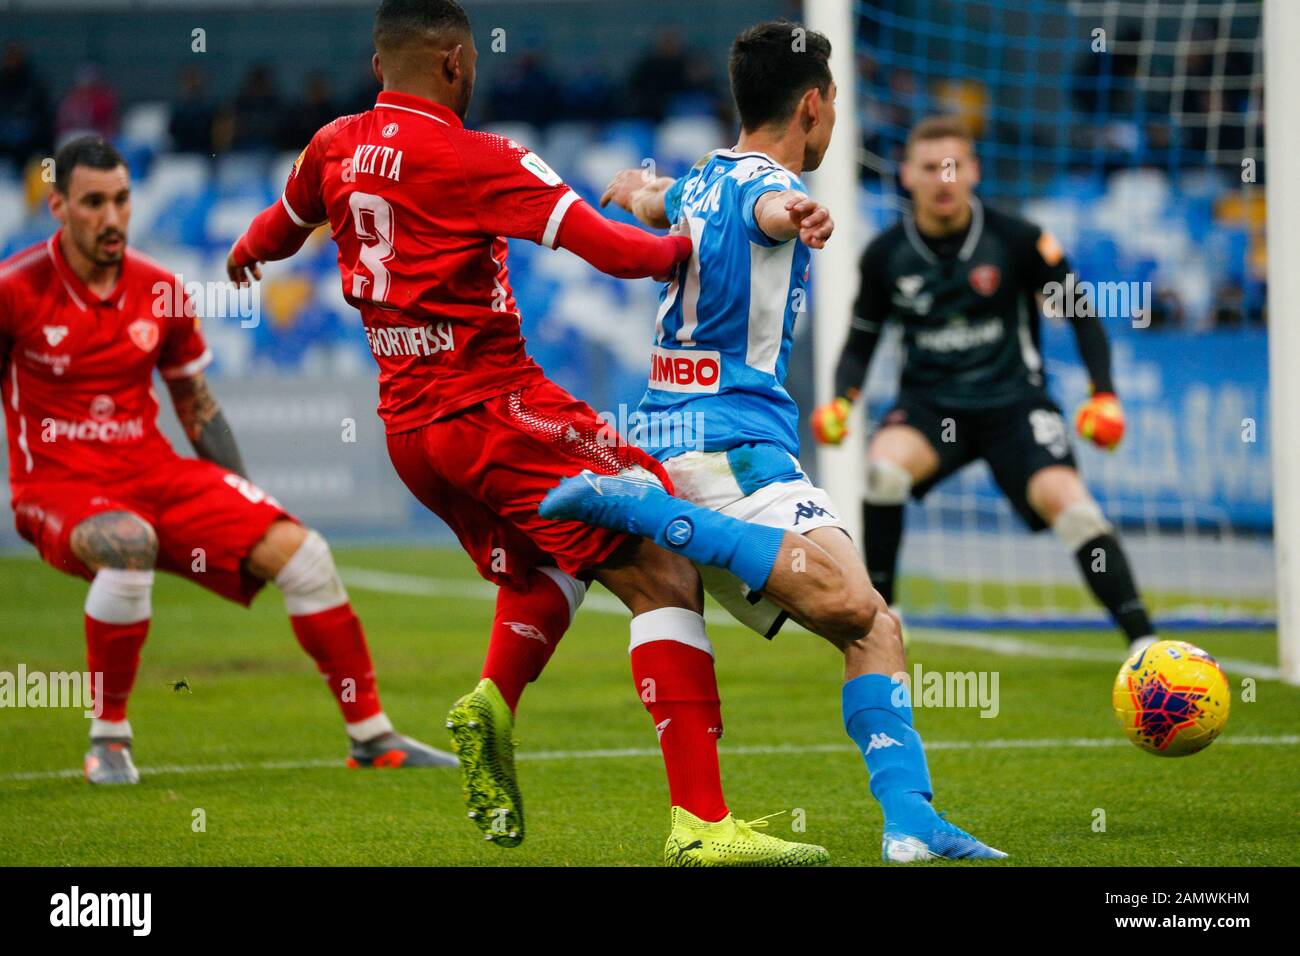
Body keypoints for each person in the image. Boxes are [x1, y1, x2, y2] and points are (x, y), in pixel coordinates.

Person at [226, 0, 825, 866]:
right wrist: (696, 239)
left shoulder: (332, 145)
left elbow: (280, 228)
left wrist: (245, 251)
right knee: (661, 555)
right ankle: (702, 825)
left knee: (553, 562)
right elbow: (619, 251)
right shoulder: (479, 158)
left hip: (410, 435)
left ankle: (493, 702)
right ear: (458, 64)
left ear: (375, 65)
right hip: (495, 410)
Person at [545, 22, 1004, 862]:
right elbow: (771, 209)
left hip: (664, 433)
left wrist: (630, 185)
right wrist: (798, 210)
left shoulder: (697, 180)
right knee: (855, 608)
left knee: (876, 629)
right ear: (814, 104)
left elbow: (659, 204)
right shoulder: (767, 189)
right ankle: (666, 522)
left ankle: (910, 824)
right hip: (732, 449)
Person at [0, 136, 449, 785]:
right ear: (60, 208)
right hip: (56, 486)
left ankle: (372, 736)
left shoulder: (159, 289)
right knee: (130, 544)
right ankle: (110, 739)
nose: (111, 217)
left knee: (304, 555)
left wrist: (241, 503)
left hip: (150, 471)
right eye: (93, 202)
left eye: (121, 200)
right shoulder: (15, 291)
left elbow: (197, 406)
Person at [809, 115, 1158, 654]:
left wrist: (1104, 393)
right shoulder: (884, 256)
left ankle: (1144, 643)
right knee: (882, 472)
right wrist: (841, 400)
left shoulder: (1017, 239)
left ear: (973, 172)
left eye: (954, 167)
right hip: (929, 408)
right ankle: (884, 617)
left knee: (1074, 508)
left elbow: (1083, 316)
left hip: (1014, 405)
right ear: (907, 175)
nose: (943, 179)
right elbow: (861, 343)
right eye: (930, 168)